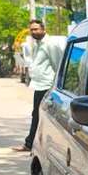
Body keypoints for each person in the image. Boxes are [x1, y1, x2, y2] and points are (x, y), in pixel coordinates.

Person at [13, 19, 64, 152]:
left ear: (43, 29)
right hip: (39, 85)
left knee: (40, 114)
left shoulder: (50, 44)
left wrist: (56, 86)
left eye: (36, 29)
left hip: (48, 85)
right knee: (38, 114)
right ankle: (35, 143)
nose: (33, 32)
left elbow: (57, 64)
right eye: (32, 30)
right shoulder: (36, 44)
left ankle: (30, 144)